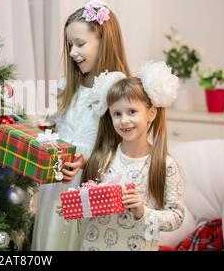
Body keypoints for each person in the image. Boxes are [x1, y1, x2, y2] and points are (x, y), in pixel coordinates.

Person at [32, 0, 130, 250]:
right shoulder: (70, 86)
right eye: (70, 45)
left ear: (104, 41)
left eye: (80, 44)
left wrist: (86, 159)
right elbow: (60, 129)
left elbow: (121, 145)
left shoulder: (114, 89)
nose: (73, 52)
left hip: (87, 184)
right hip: (57, 183)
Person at [60, 61, 184, 251]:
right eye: (117, 114)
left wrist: (144, 211)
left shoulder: (165, 165)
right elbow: (93, 202)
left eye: (132, 112)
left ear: (151, 113)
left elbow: (176, 216)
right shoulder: (103, 158)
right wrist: (74, 205)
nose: (124, 120)